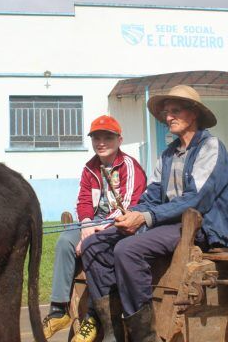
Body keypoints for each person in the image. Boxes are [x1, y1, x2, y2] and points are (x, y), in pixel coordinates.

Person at [81, 85, 228, 342]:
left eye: (175, 111)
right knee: (93, 245)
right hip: (166, 225)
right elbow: (151, 196)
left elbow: (196, 200)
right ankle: (112, 329)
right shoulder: (167, 155)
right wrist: (128, 216)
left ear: (194, 113)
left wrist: (144, 218)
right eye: (166, 112)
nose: (168, 118)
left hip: (201, 228)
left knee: (127, 250)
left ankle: (145, 336)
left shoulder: (211, 147)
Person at [42, 115, 147, 341]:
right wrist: (87, 224)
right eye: (96, 137)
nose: (101, 142)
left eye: (107, 137)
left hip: (123, 224)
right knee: (63, 242)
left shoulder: (129, 165)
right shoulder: (90, 168)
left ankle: (94, 316)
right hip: (96, 222)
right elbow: (83, 201)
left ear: (120, 140)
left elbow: (129, 206)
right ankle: (58, 309)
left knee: (92, 245)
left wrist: (96, 230)